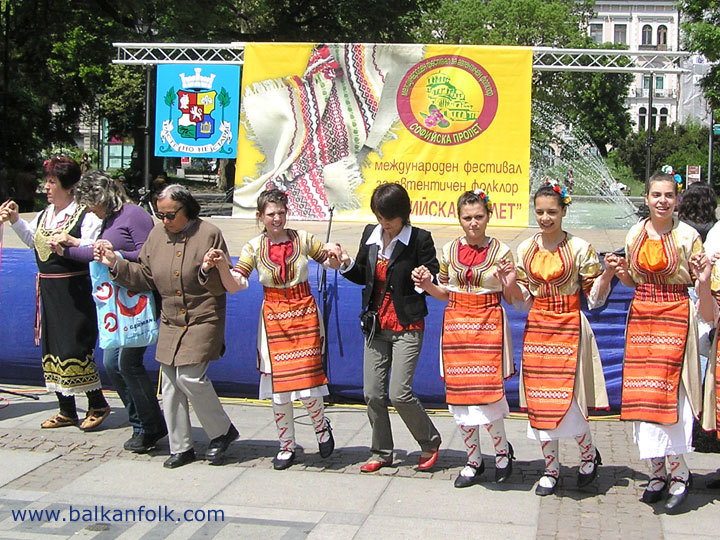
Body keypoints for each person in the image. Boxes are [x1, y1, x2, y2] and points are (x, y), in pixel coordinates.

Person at [94, 184, 238, 469]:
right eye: (161, 215)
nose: (165, 221)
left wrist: (207, 269)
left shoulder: (209, 233)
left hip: (203, 318)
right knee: (171, 384)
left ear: (187, 209)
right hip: (172, 320)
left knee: (190, 378)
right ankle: (181, 447)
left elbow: (221, 285)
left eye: (171, 215)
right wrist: (115, 263)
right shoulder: (157, 235)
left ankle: (222, 432)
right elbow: (145, 277)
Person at [205, 188, 336, 470]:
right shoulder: (253, 247)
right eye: (271, 214)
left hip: (304, 314)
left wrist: (338, 255)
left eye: (281, 213)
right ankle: (286, 445)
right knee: (278, 388)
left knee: (309, 384)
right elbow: (237, 283)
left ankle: (321, 428)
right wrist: (220, 268)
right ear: (260, 216)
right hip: (274, 318)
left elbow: (328, 261)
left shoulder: (303, 239)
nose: (277, 218)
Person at [500, 183, 615, 497]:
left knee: (570, 396)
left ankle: (588, 453)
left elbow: (594, 296)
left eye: (552, 211)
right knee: (540, 400)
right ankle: (550, 467)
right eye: (540, 211)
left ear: (564, 210)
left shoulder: (580, 248)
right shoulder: (525, 249)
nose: (545, 218)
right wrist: (508, 284)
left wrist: (605, 275)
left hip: (569, 325)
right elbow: (521, 298)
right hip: (539, 326)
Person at [606, 171, 707, 512]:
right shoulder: (636, 232)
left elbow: (699, 280)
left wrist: (703, 275)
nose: (662, 200)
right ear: (646, 199)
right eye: (656, 195)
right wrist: (621, 273)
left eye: (668, 195)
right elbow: (634, 280)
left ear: (677, 199)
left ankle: (680, 474)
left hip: (676, 316)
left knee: (671, 396)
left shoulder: (688, 235)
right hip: (642, 318)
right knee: (642, 396)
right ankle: (657, 473)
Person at [328, 182, 442, 473]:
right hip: (376, 324)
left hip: (407, 324)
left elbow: (433, 278)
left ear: (404, 214)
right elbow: (364, 276)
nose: (384, 224)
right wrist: (344, 263)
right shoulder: (371, 234)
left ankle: (429, 441)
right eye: (379, 217)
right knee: (373, 393)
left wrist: (423, 279)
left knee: (399, 393)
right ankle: (381, 450)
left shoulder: (419, 239)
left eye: (389, 219)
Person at [54, 170, 167, 453]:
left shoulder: (134, 215)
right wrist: (67, 249)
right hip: (119, 303)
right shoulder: (110, 219)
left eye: (91, 203)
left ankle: (148, 425)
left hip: (139, 300)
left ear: (101, 197)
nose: (90, 210)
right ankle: (142, 421)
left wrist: (117, 255)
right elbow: (98, 254)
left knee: (126, 363)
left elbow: (148, 255)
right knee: (113, 363)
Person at [411, 189, 516, 488]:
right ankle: (473, 460)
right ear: (459, 218)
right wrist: (428, 284)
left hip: (487, 324)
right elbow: (445, 293)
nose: (473, 223)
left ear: (488, 216)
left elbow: (510, 297)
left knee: (487, 397)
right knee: (460, 398)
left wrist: (509, 281)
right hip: (457, 325)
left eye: (479, 217)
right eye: (467, 217)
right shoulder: (448, 251)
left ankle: (502, 454)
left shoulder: (502, 251)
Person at [0, 156, 109, 430]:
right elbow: (34, 243)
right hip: (49, 287)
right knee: (53, 345)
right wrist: (15, 220)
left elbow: (94, 246)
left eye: (52, 182)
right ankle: (66, 409)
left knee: (75, 345)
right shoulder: (45, 214)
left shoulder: (83, 214)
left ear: (68, 186)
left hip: (74, 287)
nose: (46, 187)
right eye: (46, 181)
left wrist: (71, 242)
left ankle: (97, 403)